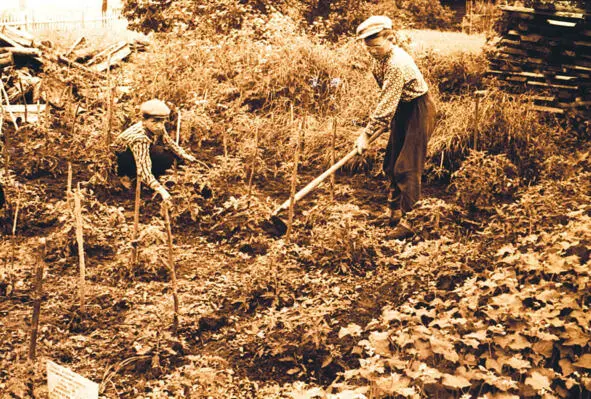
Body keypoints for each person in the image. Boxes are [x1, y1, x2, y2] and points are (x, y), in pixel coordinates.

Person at [354, 15, 437, 240]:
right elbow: (388, 99)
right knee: (391, 161)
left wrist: (366, 134)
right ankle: (394, 211)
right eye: (367, 47)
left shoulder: (397, 64)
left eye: (376, 46)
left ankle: (411, 222)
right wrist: (386, 119)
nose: (372, 51)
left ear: (390, 38)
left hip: (418, 109)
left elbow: (386, 103)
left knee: (407, 166)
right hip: (402, 109)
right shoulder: (378, 60)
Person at [112, 99, 197, 204]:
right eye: (155, 121)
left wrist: (183, 155)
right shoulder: (140, 138)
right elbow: (143, 169)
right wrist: (161, 191)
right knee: (152, 161)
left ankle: (152, 179)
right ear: (144, 120)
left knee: (167, 156)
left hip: (138, 154)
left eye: (162, 121)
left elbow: (169, 142)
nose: (159, 125)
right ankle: (126, 177)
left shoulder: (157, 127)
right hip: (121, 161)